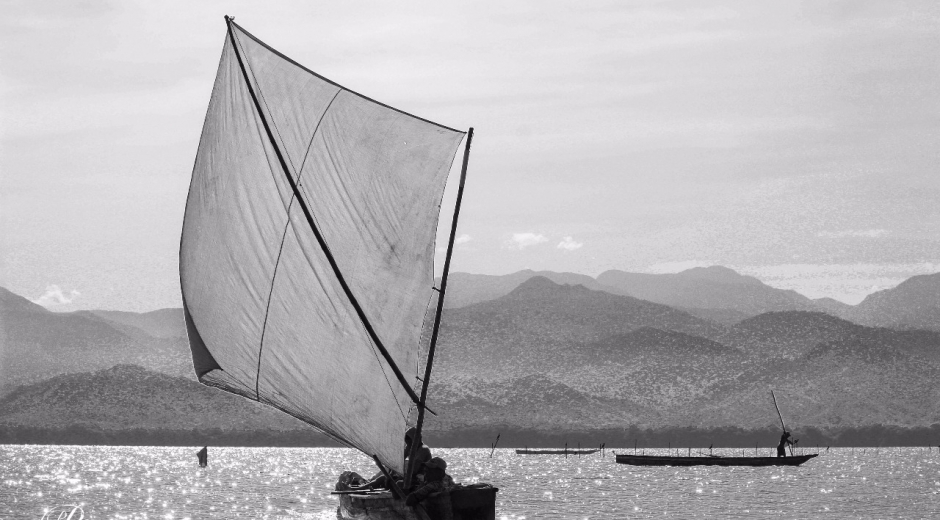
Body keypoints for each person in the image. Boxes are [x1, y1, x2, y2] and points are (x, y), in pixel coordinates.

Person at [346, 427, 432, 491]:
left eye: (409, 442)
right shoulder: (410, 447)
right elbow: (398, 461)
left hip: (420, 477)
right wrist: (391, 473)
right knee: (385, 478)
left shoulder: (423, 449)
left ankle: (358, 490)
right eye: (407, 442)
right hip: (410, 475)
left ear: (415, 440)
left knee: (383, 479)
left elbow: (415, 470)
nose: (408, 444)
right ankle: (362, 488)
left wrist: (399, 475)